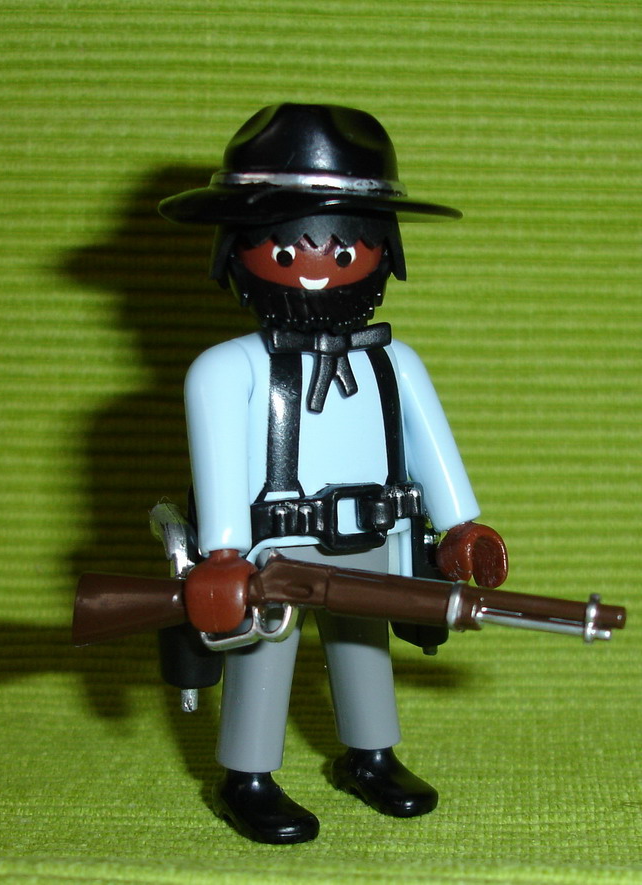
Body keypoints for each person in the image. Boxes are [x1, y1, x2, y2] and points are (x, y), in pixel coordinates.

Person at [158, 103, 508, 844]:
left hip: (377, 533)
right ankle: (248, 774)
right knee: (267, 652)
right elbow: (217, 464)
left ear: (384, 252)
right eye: (287, 252)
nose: (318, 270)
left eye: (345, 251)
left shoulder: (395, 363)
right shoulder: (224, 370)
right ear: (235, 251)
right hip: (273, 546)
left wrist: (461, 526)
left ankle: (371, 755)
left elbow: (433, 447)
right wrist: (223, 554)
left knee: (364, 644)